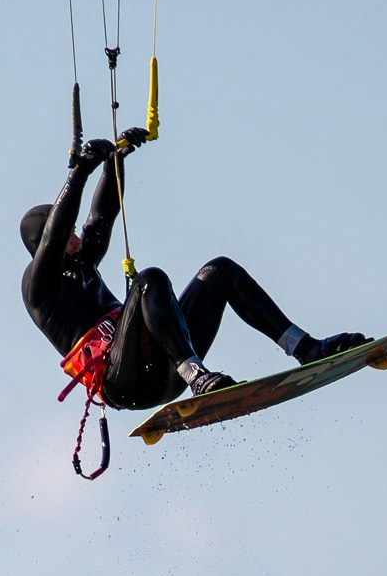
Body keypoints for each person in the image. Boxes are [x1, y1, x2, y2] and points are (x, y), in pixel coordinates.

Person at [22, 132, 366, 410]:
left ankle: (304, 347)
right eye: (68, 236)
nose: (77, 239)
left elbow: (101, 216)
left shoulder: (82, 262)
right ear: (43, 250)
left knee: (220, 272)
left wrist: (116, 159)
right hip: (126, 384)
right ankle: (196, 376)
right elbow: (54, 234)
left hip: (160, 365)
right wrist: (79, 172)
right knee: (149, 280)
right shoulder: (40, 290)